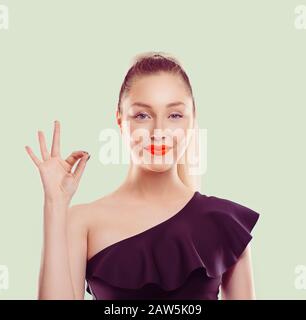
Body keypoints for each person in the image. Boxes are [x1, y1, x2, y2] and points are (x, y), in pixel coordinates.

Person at [25, 52, 260, 300]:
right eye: (142, 115)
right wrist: (55, 203)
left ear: (192, 120)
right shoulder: (82, 222)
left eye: (174, 115)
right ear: (120, 120)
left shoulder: (226, 223)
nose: (158, 132)